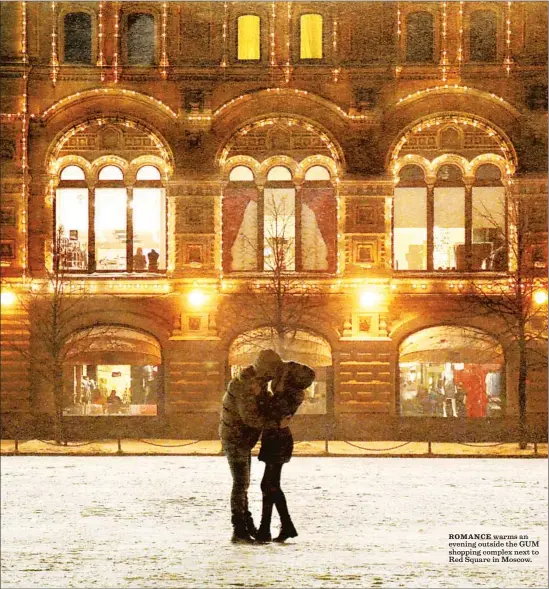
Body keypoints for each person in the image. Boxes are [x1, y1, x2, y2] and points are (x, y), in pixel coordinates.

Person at [255, 353, 315, 543]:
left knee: (269, 484)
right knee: (270, 485)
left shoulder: (286, 393)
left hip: (277, 438)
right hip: (277, 437)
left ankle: (269, 528)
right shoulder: (290, 392)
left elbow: (272, 410)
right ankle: (281, 526)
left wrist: (261, 395)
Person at [219, 350, 276, 543]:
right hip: (235, 438)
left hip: (241, 438)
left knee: (243, 483)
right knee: (240, 483)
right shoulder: (245, 386)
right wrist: (276, 423)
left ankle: (246, 524)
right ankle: (239, 529)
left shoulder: (256, 383)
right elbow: (250, 417)